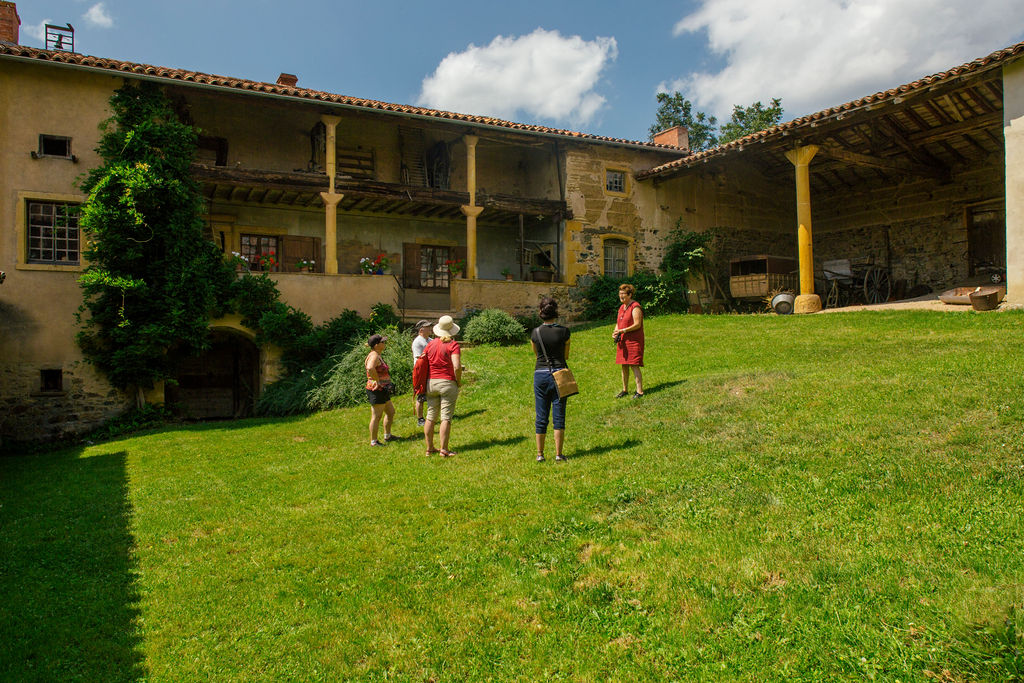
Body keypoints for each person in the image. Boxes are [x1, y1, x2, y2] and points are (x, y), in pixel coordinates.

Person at [531, 296, 570, 462]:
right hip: (559, 373)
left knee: (541, 415)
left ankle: (540, 454)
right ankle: (558, 454)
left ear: (541, 312)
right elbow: (566, 355)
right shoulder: (564, 332)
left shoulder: (535, 332)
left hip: (540, 374)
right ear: (555, 312)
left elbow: (536, 354)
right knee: (559, 415)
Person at [423, 315, 462, 457]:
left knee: (430, 416)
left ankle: (429, 448)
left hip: (431, 383)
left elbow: (423, 362)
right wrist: (458, 381)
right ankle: (444, 449)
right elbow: (457, 366)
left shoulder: (430, 344)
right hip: (447, 382)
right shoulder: (453, 345)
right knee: (446, 417)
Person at [613, 283, 645, 398]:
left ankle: (640, 392)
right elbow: (618, 322)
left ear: (630, 295)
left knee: (634, 364)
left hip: (633, 340)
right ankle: (625, 390)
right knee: (624, 365)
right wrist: (615, 331)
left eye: (623, 294)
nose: (621, 296)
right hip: (623, 341)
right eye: (620, 294)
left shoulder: (635, 307)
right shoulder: (622, 307)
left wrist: (623, 330)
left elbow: (637, 324)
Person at [365, 334, 397, 446]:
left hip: (383, 389)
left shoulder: (377, 354)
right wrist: (377, 381)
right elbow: (370, 368)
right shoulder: (374, 355)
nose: (384, 343)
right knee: (376, 416)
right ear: (376, 345)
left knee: (390, 412)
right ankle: (374, 441)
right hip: (377, 389)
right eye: (382, 342)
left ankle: (387, 435)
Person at [411, 320, 432, 427]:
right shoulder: (418, 342)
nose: (430, 329)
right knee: (421, 394)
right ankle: (420, 419)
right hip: (420, 371)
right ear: (421, 330)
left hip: (428, 369)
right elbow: (419, 358)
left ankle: (430, 416)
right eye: (427, 327)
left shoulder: (429, 340)